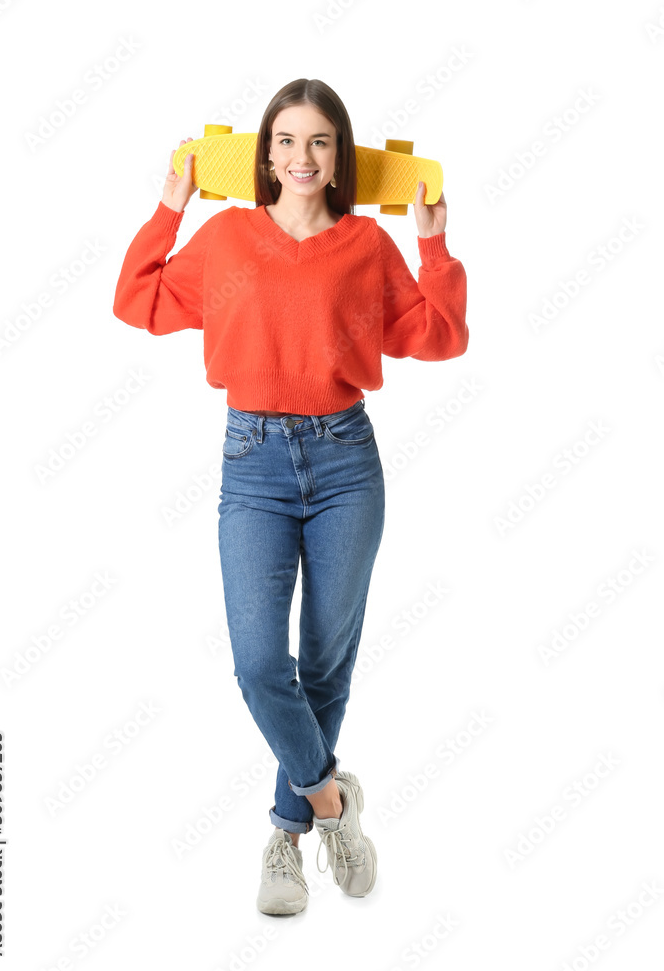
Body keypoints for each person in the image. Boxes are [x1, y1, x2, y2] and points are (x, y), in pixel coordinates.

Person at [113, 78, 468, 916]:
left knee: (324, 663)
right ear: (263, 154)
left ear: (338, 156)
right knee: (258, 664)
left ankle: (286, 830)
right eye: (284, 141)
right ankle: (329, 799)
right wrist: (169, 209)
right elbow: (137, 298)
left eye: (318, 143)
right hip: (254, 465)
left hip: (346, 462)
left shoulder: (363, 247)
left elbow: (441, 336)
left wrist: (432, 246)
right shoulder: (229, 237)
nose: (300, 158)